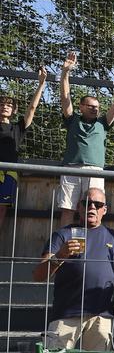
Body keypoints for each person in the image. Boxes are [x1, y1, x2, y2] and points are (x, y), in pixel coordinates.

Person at [32, 187, 114, 350]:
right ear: (79, 207)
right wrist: (61, 255)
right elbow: (38, 275)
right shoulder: (63, 235)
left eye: (98, 204)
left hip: (101, 315)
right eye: (87, 203)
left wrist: (113, 280)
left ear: (105, 209)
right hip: (67, 312)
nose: (92, 207)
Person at [57, 51, 114, 226]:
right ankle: (61, 248)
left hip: (95, 170)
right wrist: (65, 72)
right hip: (71, 168)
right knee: (68, 210)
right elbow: (65, 97)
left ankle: (90, 244)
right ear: (81, 107)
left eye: (97, 107)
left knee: (93, 209)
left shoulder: (103, 123)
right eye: (91, 106)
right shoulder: (72, 119)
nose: (95, 110)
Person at [0, 64, 47, 231]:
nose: (5, 106)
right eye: (2, 104)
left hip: (8, 173)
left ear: (14, 110)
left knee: (2, 209)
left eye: (9, 105)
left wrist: (41, 84)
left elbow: (32, 108)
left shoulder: (17, 128)